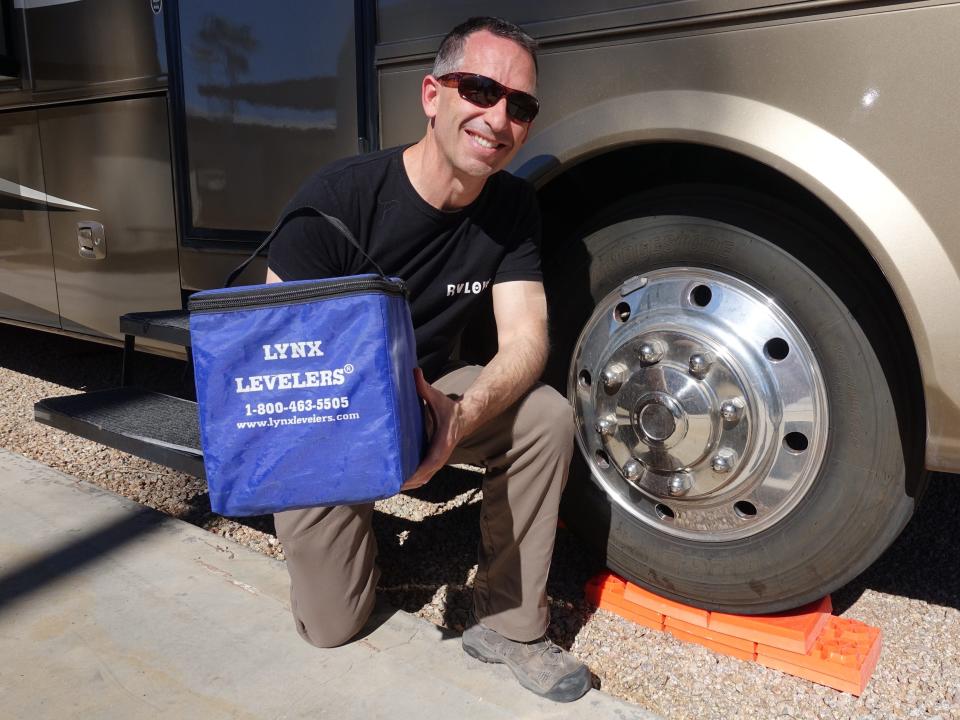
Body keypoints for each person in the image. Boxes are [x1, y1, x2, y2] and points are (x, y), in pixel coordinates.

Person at [264, 16, 591, 703]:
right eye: (479, 89)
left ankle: (509, 621)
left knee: (546, 415)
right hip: (330, 408)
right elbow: (277, 354)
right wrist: (368, 437)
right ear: (432, 95)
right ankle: (348, 540)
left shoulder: (512, 207)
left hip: (429, 387)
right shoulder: (339, 198)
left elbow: (526, 338)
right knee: (331, 626)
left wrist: (456, 416)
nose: (498, 118)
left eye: (520, 106)